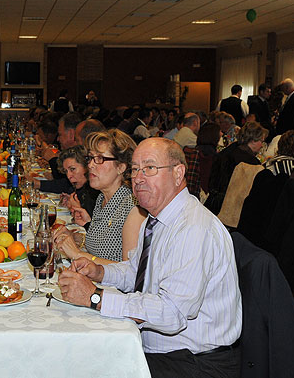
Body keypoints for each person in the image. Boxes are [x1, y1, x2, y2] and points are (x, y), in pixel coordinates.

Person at [58, 138, 242, 378]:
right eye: (135, 169)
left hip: (195, 363)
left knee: (88, 367)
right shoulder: (156, 219)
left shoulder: (194, 228)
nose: (138, 177)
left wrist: (96, 297)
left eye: (150, 168)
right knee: (77, 351)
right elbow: (138, 271)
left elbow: (171, 313)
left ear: (178, 173)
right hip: (164, 350)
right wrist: (99, 272)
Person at [53, 129, 143, 263]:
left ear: (121, 167)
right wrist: (76, 239)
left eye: (99, 159)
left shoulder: (133, 208)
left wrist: (77, 254)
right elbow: (104, 248)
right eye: (90, 158)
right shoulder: (102, 198)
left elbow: (128, 271)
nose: (90, 165)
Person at [206, 121, 268, 215]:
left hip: (213, 203)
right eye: (261, 141)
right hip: (231, 209)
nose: (261, 145)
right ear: (253, 141)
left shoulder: (228, 151)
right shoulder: (251, 163)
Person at [56, 146, 101, 219]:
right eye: (66, 171)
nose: (68, 176)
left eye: (72, 169)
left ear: (87, 166)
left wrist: (78, 209)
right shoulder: (85, 189)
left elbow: (96, 226)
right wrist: (73, 200)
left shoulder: (97, 192)